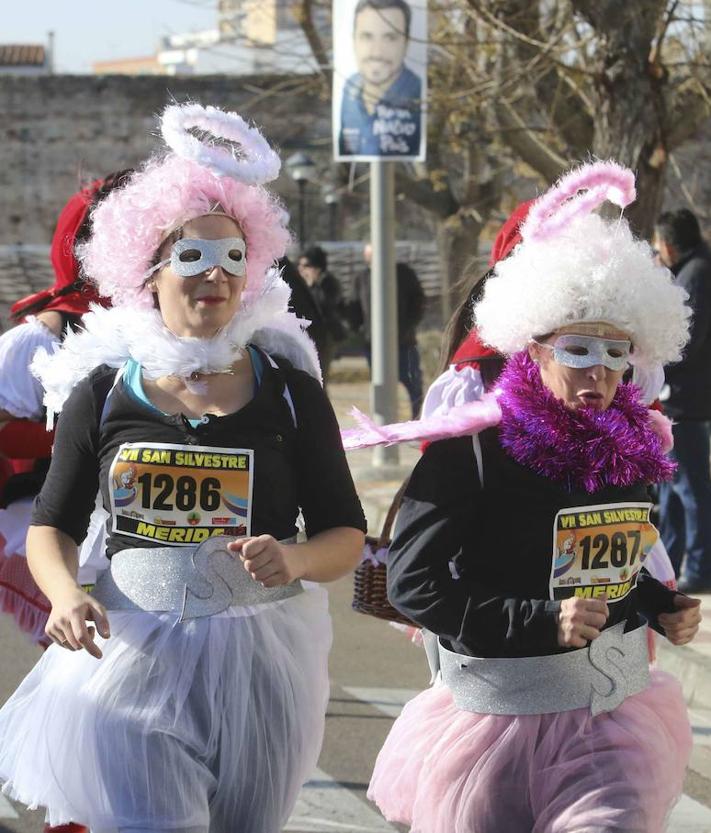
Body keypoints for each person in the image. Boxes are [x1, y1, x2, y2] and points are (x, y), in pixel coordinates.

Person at [0, 102, 366, 833]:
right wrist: (66, 593)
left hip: (261, 660)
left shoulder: (290, 393)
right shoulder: (103, 391)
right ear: (150, 274)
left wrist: (291, 558)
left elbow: (345, 534)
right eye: (191, 257)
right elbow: (53, 525)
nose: (215, 277)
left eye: (233, 258)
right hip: (131, 656)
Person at [363, 162, 701, 832]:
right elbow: (411, 583)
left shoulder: (629, 449)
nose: (598, 371)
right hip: (498, 721)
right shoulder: (474, 449)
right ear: (532, 349)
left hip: (609, 719)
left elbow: (608, 571)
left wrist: (658, 605)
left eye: (615, 352)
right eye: (577, 349)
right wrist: (538, 618)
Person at [0, 172, 131, 651]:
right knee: (81, 656)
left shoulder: (170, 325)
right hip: (58, 516)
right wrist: (79, 442)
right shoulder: (39, 339)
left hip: (144, 518)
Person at [653, 208, 711, 592]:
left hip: (686, 402)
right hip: (679, 401)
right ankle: (669, 564)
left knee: (690, 491)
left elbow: (685, 344)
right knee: (671, 490)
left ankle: (700, 567)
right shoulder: (692, 271)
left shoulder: (697, 275)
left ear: (670, 245)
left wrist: (653, 368)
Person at [348, 242, 425, 416]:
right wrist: (358, 330)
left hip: (403, 342)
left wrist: (408, 325)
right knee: (380, 384)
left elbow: (418, 301)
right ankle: (383, 419)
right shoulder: (362, 278)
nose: (371, 259)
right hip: (373, 344)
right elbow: (354, 308)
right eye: (368, 256)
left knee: (411, 381)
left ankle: (417, 418)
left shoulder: (404, 274)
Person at [338, 0, 422, 158]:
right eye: (367, 37)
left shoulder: (419, 93)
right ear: (353, 40)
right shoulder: (350, 87)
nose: (376, 51)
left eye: (390, 38)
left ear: (406, 43)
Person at [297, 245, 346, 383]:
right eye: (300, 265)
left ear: (317, 267)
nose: (301, 269)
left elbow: (326, 307)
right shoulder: (303, 284)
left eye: (306, 265)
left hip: (325, 336)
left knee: (318, 376)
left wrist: (313, 285)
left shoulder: (329, 284)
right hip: (310, 335)